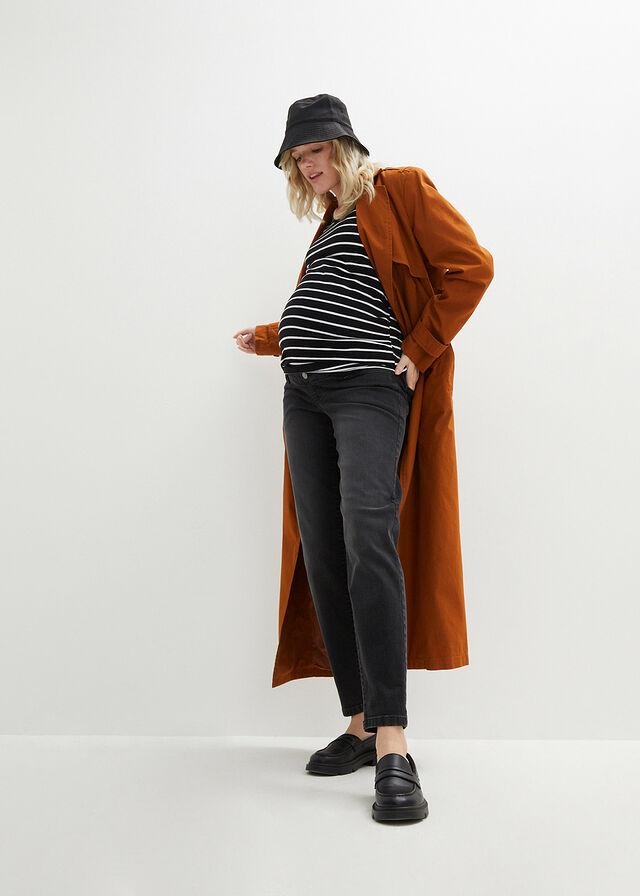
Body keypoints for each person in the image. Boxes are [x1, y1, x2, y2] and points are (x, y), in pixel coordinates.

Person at [233, 94, 493, 823]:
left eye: (315, 152)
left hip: (369, 390)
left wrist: (419, 350)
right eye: (297, 159)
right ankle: (359, 721)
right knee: (323, 553)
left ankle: (394, 743)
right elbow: (330, 306)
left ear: (345, 147)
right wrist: (271, 336)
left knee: (368, 540)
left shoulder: (398, 189)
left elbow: (472, 267)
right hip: (305, 396)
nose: (307, 166)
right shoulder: (327, 225)